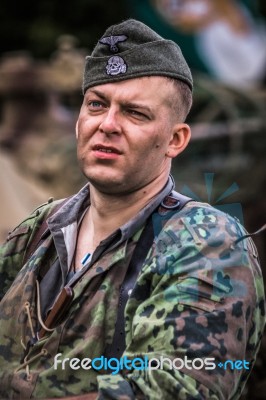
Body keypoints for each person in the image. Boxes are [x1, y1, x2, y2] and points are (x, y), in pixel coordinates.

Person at [0, 19, 264, 400]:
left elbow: (177, 390)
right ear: (78, 123)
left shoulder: (207, 245)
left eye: (135, 113)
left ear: (176, 139)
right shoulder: (38, 229)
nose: (107, 125)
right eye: (96, 105)